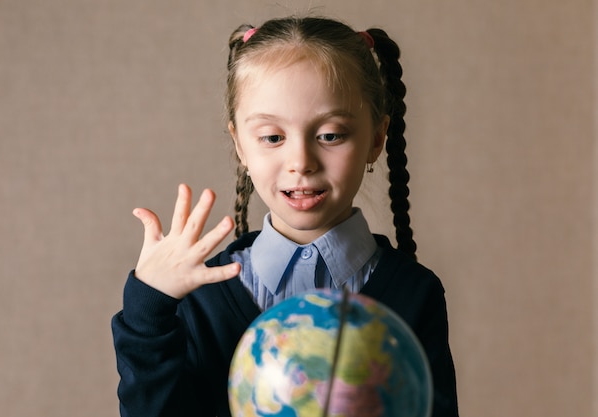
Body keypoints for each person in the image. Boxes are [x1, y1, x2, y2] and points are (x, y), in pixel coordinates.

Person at [112, 15, 459, 417]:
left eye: (330, 135)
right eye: (273, 137)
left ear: (376, 140)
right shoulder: (200, 297)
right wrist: (149, 307)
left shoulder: (415, 293)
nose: (301, 161)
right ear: (240, 145)